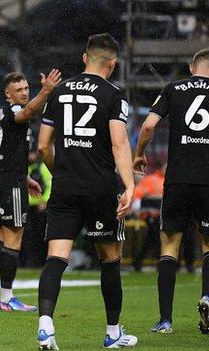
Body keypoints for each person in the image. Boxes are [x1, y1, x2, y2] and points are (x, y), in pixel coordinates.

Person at [133, 48, 209, 335]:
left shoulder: (173, 88)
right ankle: (208, 297)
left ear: (191, 66)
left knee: (169, 246)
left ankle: (165, 321)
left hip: (177, 180)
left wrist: (139, 154)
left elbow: (148, 126)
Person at [36, 33, 137, 349]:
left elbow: (42, 146)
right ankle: (112, 333)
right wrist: (130, 185)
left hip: (65, 187)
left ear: (84, 57)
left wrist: (61, 173)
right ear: (113, 63)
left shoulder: (59, 90)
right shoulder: (114, 95)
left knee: (56, 258)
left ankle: (46, 327)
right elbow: (119, 142)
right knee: (109, 259)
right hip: (100, 188)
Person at [0, 69, 62, 312]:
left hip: (7, 179)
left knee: (1, 237)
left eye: (27, 89)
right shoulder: (14, 111)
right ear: (8, 94)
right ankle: (6, 299)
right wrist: (46, 90)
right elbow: (27, 111)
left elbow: (8, 152)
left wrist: (26, 178)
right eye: (19, 90)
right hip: (10, 184)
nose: (25, 93)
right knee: (14, 238)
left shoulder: (3, 113)